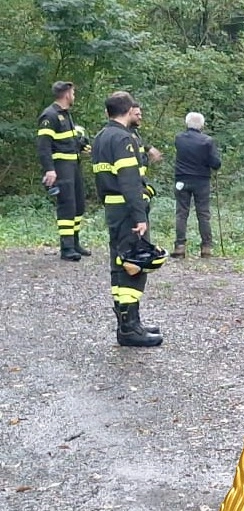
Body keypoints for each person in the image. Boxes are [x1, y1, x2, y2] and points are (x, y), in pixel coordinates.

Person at [92, 91, 165, 347]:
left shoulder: (101, 137)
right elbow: (129, 180)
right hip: (127, 210)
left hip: (113, 209)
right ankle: (130, 329)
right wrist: (139, 215)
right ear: (126, 109)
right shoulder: (123, 138)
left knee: (119, 264)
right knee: (135, 265)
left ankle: (128, 323)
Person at [36, 81, 91, 261]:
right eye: (73, 93)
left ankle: (75, 243)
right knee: (66, 206)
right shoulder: (49, 115)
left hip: (73, 166)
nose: (74, 96)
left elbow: (65, 140)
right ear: (67, 94)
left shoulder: (66, 115)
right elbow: (44, 146)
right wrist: (49, 170)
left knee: (78, 206)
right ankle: (67, 248)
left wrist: (80, 146)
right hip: (60, 167)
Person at [172, 111, 222, 258]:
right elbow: (215, 163)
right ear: (202, 125)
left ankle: (179, 247)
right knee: (203, 214)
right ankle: (206, 247)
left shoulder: (179, 138)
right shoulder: (207, 141)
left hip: (181, 179)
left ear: (187, 123)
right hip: (201, 181)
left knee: (181, 213)